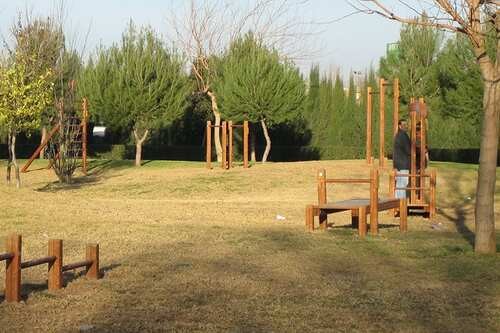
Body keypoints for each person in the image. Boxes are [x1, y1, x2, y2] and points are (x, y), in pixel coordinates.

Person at [393, 119, 411, 199]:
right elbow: (409, 150)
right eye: (403, 125)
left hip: (399, 164)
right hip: (403, 164)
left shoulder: (397, 135)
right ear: (399, 126)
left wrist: (395, 165)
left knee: (400, 184)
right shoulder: (403, 136)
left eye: (406, 125)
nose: (405, 126)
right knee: (403, 184)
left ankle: (398, 203)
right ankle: (401, 204)